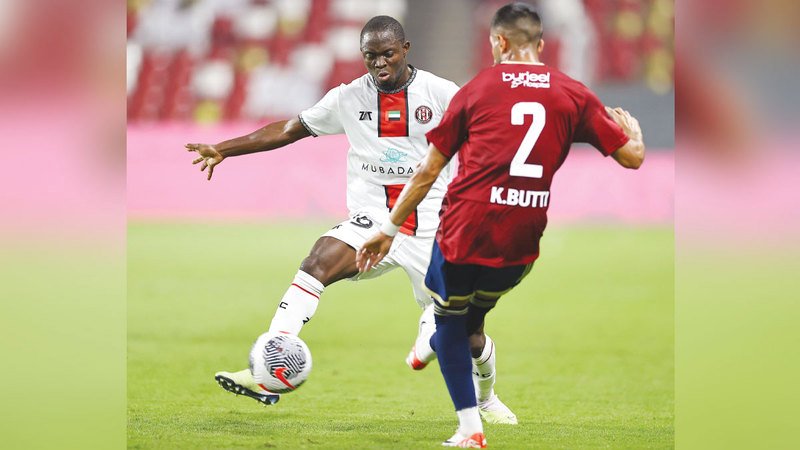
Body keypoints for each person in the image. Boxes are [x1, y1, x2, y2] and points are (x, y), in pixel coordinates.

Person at [185, 15, 518, 423]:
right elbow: (289, 129)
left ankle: (486, 398)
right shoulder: (347, 98)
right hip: (374, 220)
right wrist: (224, 148)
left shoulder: (441, 93)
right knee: (317, 262)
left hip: (433, 229)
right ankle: (269, 368)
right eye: (370, 56)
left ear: (405, 49)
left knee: (467, 337)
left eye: (387, 54)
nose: (379, 63)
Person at [357, 3, 645, 448]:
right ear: (541, 44)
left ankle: (469, 427)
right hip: (521, 243)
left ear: (499, 41)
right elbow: (632, 158)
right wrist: (636, 133)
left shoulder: (478, 89)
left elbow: (429, 171)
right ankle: (440, 350)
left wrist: (388, 229)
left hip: (464, 231)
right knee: (472, 320)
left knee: (447, 319)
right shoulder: (573, 93)